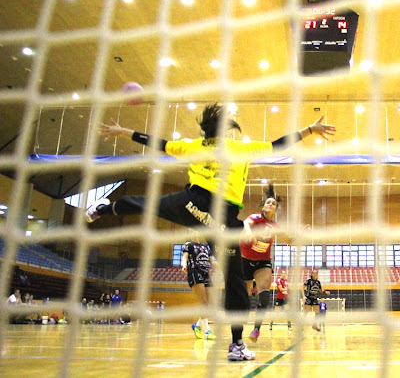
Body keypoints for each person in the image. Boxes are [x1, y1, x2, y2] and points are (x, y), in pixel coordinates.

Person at [86, 103, 335, 361]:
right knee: (236, 281)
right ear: (227, 131)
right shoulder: (240, 149)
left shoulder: (193, 146)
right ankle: (237, 345)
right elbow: (279, 144)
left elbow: (158, 143)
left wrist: (124, 131)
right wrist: (309, 130)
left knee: (147, 204)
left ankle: (105, 209)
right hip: (220, 221)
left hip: (189, 204)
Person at [240, 184, 292, 342]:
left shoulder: (275, 227)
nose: (270, 204)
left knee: (264, 294)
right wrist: (248, 232)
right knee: (244, 297)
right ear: (263, 206)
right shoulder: (255, 218)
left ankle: (256, 330)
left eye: (274, 203)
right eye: (268, 202)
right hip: (245, 260)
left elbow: (289, 240)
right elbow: (246, 223)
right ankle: (239, 329)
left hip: (263, 262)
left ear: (276, 210)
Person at [181, 237, 217, 339]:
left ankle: (197, 325)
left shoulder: (206, 246)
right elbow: (184, 257)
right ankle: (207, 331)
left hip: (206, 273)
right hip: (195, 272)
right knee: (204, 302)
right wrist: (183, 264)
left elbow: (212, 262)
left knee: (210, 303)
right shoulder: (188, 245)